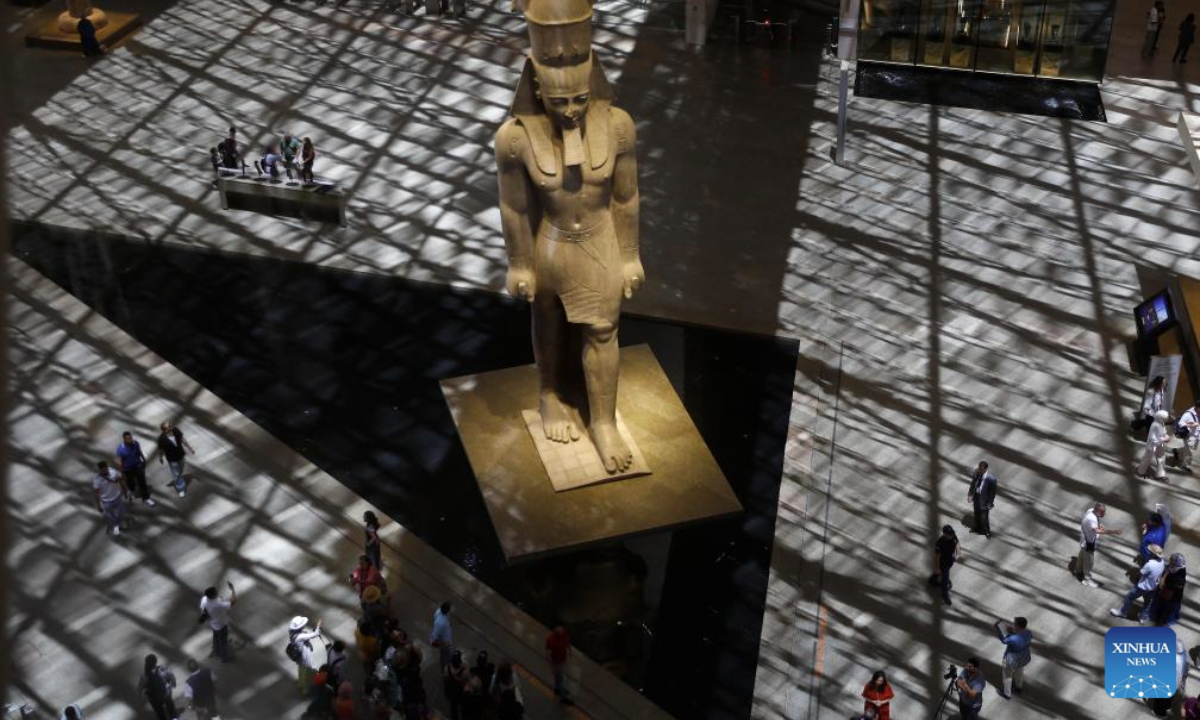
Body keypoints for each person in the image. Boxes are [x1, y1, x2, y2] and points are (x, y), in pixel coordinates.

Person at [494, 0, 645, 476]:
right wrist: (519, 263)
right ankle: (549, 395)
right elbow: (515, 207)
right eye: (560, 102)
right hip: (550, 242)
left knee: (603, 330)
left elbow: (626, 199)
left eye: (579, 99)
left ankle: (603, 422)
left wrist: (630, 256)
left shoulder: (618, 126)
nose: (573, 111)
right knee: (549, 319)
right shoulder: (514, 138)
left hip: (598, 237)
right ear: (538, 89)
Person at [1111, 543, 1166, 623]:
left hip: (1142, 587)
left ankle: (1123, 613)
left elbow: (1140, 573)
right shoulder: (1162, 562)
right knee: (1147, 602)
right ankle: (1143, 618)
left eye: (1150, 551)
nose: (1149, 552)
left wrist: (1135, 575)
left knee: (1129, 598)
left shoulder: (1150, 564)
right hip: (1153, 587)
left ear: (1153, 554)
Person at [154, 420, 195, 498]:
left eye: (170, 424)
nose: (171, 426)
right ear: (165, 430)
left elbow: (182, 439)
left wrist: (189, 447)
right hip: (172, 459)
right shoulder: (161, 439)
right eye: (169, 426)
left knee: (181, 469)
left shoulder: (175, 430)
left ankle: (179, 478)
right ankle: (181, 489)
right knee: (176, 474)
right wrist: (161, 457)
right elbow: (161, 450)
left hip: (181, 455)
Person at [994, 617, 1032, 698]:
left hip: (1012, 659)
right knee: (1019, 672)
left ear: (1018, 626)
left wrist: (998, 629)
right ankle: (1019, 687)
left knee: (1007, 675)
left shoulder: (1014, 638)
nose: (1013, 625)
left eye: (1014, 624)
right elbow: (1021, 637)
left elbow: (1004, 640)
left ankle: (1007, 693)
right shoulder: (1028, 633)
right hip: (1023, 657)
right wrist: (1014, 631)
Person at [200, 582, 236, 663]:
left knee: (216, 637)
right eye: (216, 592)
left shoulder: (204, 600)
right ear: (213, 595)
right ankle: (225, 658)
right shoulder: (218, 604)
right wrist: (233, 590)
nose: (217, 593)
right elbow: (233, 602)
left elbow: (203, 610)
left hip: (213, 624)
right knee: (223, 642)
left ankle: (216, 650)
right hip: (222, 625)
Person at [92, 460, 130, 536]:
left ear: (107, 467)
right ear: (99, 470)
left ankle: (119, 523)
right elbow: (96, 494)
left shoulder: (113, 472)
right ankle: (116, 526)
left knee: (122, 513)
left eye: (105, 468)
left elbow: (121, 479)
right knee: (111, 516)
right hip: (106, 501)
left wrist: (125, 491)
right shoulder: (97, 480)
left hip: (117, 497)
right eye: (102, 470)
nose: (105, 470)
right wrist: (98, 505)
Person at [289, 616, 324, 695]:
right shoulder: (300, 636)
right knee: (309, 671)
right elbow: (316, 634)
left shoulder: (292, 633)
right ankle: (306, 689)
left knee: (301, 669)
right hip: (305, 656)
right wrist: (318, 625)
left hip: (299, 656)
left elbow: (307, 635)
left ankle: (301, 684)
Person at [138, 654, 178, 720]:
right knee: (171, 711)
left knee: (161, 714)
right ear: (155, 662)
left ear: (146, 663)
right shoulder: (162, 669)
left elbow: (139, 690)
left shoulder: (144, 676)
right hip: (164, 695)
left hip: (155, 698)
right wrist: (171, 686)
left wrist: (145, 696)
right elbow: (172, 677)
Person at [1153, 553, 1187, 626]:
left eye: (1171, 559)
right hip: (1166, 593)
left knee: (1165, 609)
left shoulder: (1180, 572)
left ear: (1175, 562)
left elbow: (1178, 585)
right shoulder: (1171, 567)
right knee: (1161, 606)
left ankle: (1161, 622)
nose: (1169, 560)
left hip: (1172, 596)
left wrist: (1165, 582)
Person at [967, 461, 997, 538]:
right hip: (976, 496)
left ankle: (987, 531)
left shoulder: (991, 479)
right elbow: (973, 484)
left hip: (984, 500)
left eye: (982, 469)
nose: (980, 470)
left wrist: (990, 503)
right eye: (979, 468)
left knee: (984, 517)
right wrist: (970, 494)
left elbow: (992, 493)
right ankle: (977, 528)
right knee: (976, 513)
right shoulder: (976, 473)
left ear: (986, 469)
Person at [1138, 410, 1171, 481]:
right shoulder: (1155, 425)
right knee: (1147, 458)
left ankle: (1160, 475)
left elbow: (1164, 432)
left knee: (1161, 458)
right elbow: (1152, 438)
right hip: (1152, 446)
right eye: (1166, 417)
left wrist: (1166, 436)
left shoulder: (1161, 423)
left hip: (1159, 445)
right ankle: (1141, 471)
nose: (1167, 418)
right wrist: (1163, 439)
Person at [932, 525, 959, 606]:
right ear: (944, 534)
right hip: (943, 563)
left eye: (952, 533)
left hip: (950, 560)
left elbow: (957, 546)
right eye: (950, 534)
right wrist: (937, 567)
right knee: (944, 578)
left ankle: (934, 580)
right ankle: (945, 595)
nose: (952, 535)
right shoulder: (939, 543)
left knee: (942, 575)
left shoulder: (954, 537)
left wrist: (955, 555)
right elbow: (937, 556)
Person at [546, 625, 572, 703]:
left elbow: (567, 642)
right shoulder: (551, 640)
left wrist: (570, 652)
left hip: (562, 660)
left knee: (558, 677)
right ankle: (563, 697)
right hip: (556, 662)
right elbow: (549, 654)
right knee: (562, 679)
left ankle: (557, 689)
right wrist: (552, 666)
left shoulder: (563, 634)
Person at [445, 650, 471, 720]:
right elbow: (468, 680)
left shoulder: (447, 668)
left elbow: (446, 679)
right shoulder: (465, 668)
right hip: (462, 691)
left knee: (454, 708)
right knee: (463, 708)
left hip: (452, 692)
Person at [431, 601, 454, 668]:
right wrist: (437, 641)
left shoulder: (438, 611)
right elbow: (435, 634)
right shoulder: (441, 622)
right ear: (447, 610)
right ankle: (446, 665)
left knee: (444, 652)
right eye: (449, 609)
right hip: (444, 639)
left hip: (445, 636)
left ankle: (445, 663)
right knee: (446, 652)